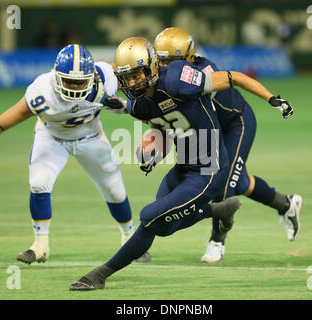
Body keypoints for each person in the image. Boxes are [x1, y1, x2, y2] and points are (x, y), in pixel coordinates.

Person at [69, 36, 294, 291]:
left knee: (149, 217)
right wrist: (153, 150)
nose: (133, 82)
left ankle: (100, 274)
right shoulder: (139, 104)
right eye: (127, 77)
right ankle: (218, 210)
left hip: (210, 169)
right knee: (164, 225)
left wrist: (271, 99)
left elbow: (233, 77)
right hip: (184, 166)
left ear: (153, 67)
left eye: (137, 75)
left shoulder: (178, 78)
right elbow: (163, 121)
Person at [0, 44, 150, 264]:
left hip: (90, 137)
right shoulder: (42, 93)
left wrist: (128, 106)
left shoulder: (107, 77)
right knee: (39, 183)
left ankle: (129, 239)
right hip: (52, 138)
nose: (74, 87)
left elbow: (138, 88)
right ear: (56, 77)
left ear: (92, 76)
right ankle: (40, 245)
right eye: (68, 81)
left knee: (115, 189)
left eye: (80, 81)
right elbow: (0, 123)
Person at [154, 27, 302, 263]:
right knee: (239, 180)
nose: (165, 66)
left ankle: (217, 241)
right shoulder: (168, 77)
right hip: (212, 130)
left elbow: (237, 78)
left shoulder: (200, 73)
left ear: (189, 56)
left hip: (236, 123)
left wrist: (271, 98)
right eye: (162, 60)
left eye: (172, 60)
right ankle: (286, 204)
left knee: (223, 183)